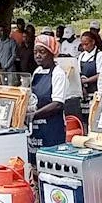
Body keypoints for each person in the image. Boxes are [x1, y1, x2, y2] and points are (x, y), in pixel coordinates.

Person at [27, 34, 67, 166]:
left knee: (50, 163)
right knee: (35, 164)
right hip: (36, 129)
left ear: (51, 53)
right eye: (35, 52)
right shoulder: (37, 71)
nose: (38, 55)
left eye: (42, 52)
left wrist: (34, 115)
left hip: (52, 128)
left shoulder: (58, 73)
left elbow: (57, 104)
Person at [78, 31, 102, 123]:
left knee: (93, 116)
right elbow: (78, 73)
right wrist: (81, 86)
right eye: (83, 45)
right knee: (84, 118)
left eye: (86, 44)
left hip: (95, 90)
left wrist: (86, 81)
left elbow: (100, 75)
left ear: (93, 42)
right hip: (84, 91)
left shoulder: (99, 55)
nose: (84, 47)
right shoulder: (82, 56)